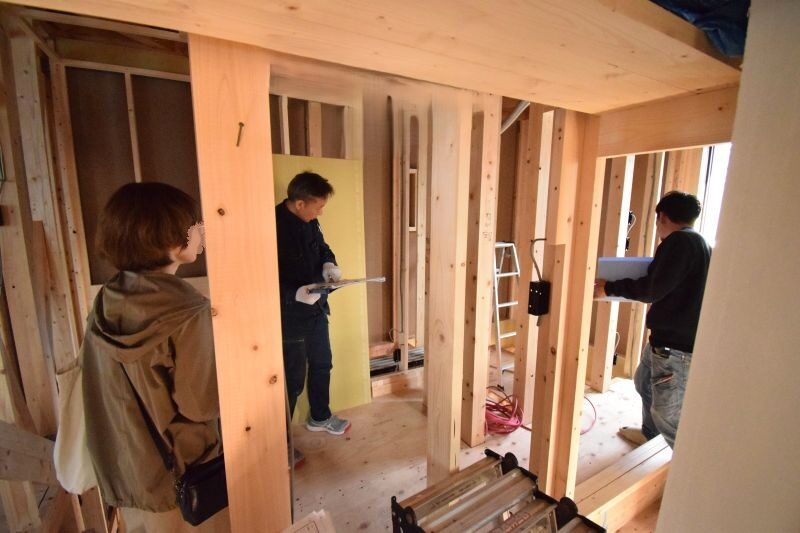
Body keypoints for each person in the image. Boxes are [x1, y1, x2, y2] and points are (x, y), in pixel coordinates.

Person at [81, 182, 229, 531]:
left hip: (124, 467)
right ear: (170, 243)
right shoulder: (189, 310)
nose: (200, 234)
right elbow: (201, 404)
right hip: (180, 474)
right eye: (194, 226)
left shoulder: (107, 298)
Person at [594, 191, 711, 449]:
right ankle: (650, 433)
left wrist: (609, 288)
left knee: (666, 412)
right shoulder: (699, 243)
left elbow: (652, 290)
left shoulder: (677, 243)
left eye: (658, 220)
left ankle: (682, 467)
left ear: (663, 217)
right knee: (643, 381)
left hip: (675, 347)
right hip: (667, 338)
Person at [276, 172, 351, 448]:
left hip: (317, 309)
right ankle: (279, 444)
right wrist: (293, 295)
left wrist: (330, 265)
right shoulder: (272, 227)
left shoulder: (311, 222)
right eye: (318, 206)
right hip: (290, 317)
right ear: (299, 204)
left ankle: (319, 417)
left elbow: (323, 249)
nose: (320, 211)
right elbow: (260, 278)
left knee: (322, 364)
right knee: (291, 380)